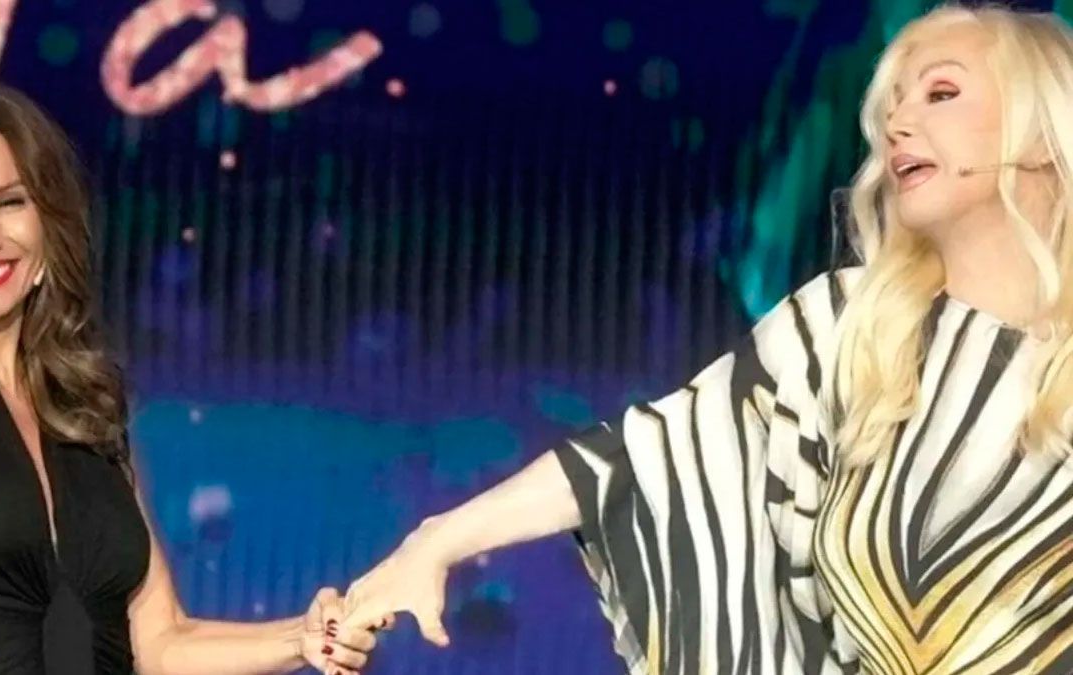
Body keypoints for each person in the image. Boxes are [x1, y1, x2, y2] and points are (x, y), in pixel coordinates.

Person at [340, 5, 1073, 673]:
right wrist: (436, 540)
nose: (898, 124)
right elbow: (638, 458)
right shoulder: (848, 332)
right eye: (892, 107)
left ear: (1044, 129)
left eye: (940, 93)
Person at [0, 76, 387, 675]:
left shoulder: (83, 400)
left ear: (47, 217)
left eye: (11, 202)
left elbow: (160, 641)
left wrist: (303, 639)